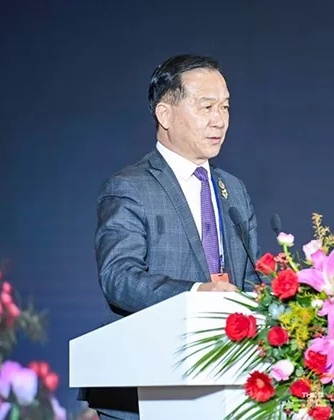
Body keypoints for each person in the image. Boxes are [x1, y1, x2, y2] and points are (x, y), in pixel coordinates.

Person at [81, 54, 262, 420]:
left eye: (225, 107)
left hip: (227, 381)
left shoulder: (233, 190)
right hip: (147, 382)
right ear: (165, 115)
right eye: (206, 107)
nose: (219, 120)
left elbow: (250, 280)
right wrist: (196, 294)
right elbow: (119, 277)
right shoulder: (129, 188)